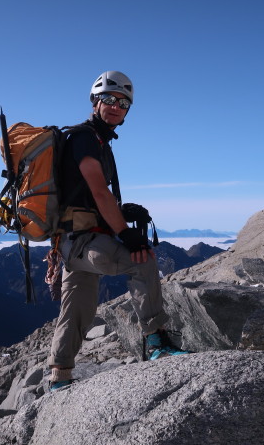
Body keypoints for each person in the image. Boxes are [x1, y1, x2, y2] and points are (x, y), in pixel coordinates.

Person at [47, 70, 187, 392]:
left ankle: (59, 377)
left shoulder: (97, 141)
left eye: (123, 103)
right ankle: (156, 343)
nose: (115, 106)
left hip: (71, 243)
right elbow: (98, 190)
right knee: (142, 260)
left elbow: (85, 196)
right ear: (95, 101)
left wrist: (120, 212)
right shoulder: (84, 138)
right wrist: (124, 232)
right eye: (108, 99)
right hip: (84, 242)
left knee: (77, 307)